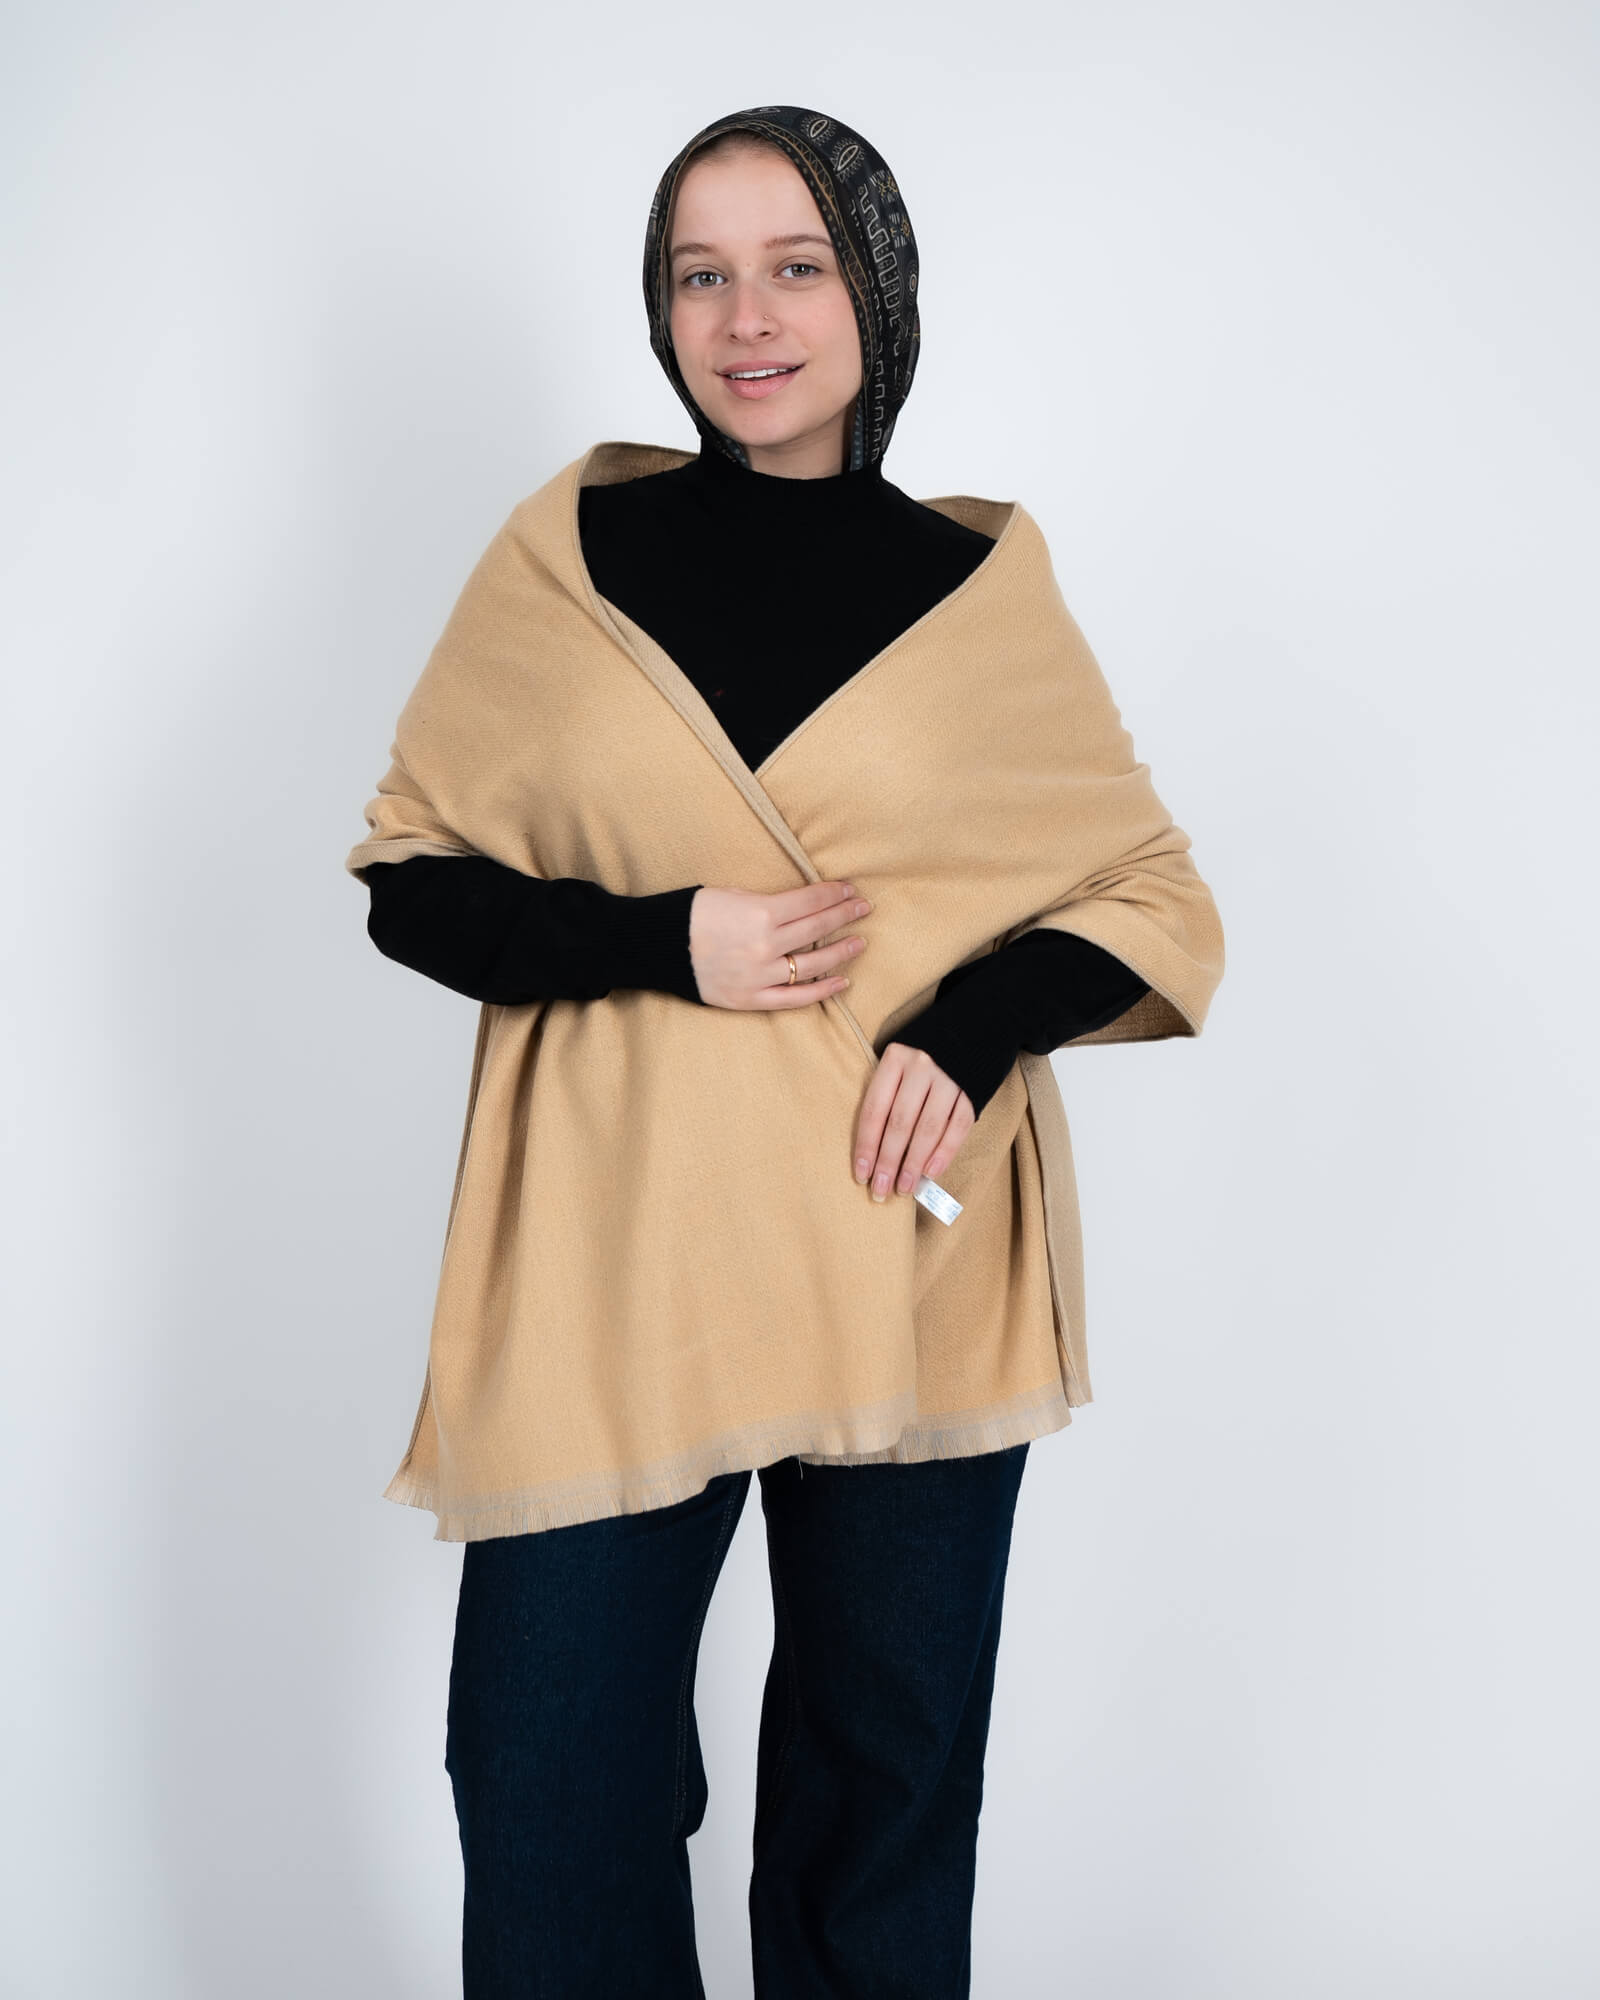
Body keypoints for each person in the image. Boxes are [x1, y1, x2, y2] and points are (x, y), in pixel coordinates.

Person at [345, 104, 1223, 1998]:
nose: (746, 318)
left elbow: (1146, 889)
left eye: (796, 266)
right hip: (618, 1257)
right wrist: (669, 938)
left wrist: (974, 1029)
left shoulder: (978, 590)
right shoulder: (565, 562)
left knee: (878, 1797)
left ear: (874, 291)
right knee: (547, 1768)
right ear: (659, 308)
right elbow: (412, 880)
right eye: (702, 275)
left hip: (906, 1259)